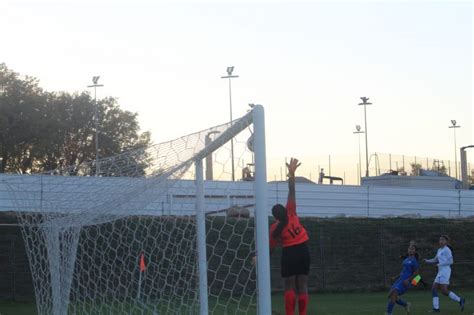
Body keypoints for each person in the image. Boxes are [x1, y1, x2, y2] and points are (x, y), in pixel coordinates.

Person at [270, 158, 310, 315]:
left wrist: (258, 256)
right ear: (285, 210)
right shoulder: (291, 211)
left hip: (289, 254)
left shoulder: (274, 228)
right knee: (303, 285)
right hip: (303, 251)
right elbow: (292, 191)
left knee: (289, 286)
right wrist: (292, 174)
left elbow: (270, 248)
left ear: (275, 217)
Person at [424, 235, 465, 312]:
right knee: (433, 289)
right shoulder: (439, 250)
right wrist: (427, 261)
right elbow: (435, 259)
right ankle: (436, 309)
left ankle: (460, 300)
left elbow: (451, 261)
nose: (441, 241)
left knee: (444, 291)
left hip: (445, 271)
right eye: (440, 240)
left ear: (446, 241)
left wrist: (440, 264)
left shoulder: (447, 250)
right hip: (440, 271)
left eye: (443, 240)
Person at [386, 243, 420, 315]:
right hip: (400, 280)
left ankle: (389, 313)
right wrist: (395, 277)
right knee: (391, 295)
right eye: (409, 248)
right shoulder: (406, 259)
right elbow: (403, 271)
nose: (410, 250)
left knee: (394, 293)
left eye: (412, 249)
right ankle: (406, 304)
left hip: (405, 282)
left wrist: (409, 281)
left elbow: (417, 274)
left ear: (415, 251)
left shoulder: (414, 261)